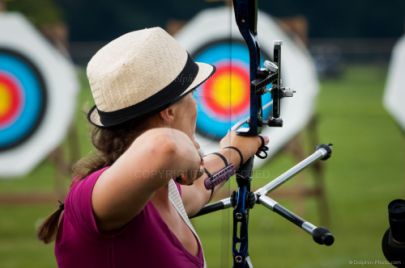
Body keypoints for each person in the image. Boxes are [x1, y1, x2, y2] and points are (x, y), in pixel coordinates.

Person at [37, 27, 268, 268]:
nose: (196, 104)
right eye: (193, 95)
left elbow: (200, 186)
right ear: (170, 112)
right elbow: (164, 147)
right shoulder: (94, 196)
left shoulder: (159, 187)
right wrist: (189, 156)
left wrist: (234, 152)